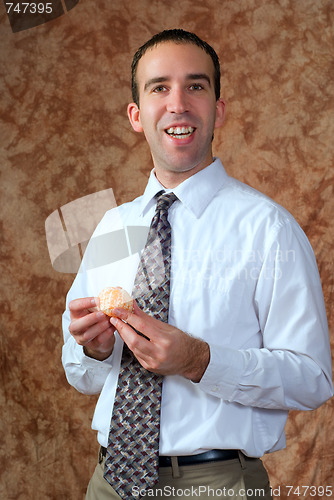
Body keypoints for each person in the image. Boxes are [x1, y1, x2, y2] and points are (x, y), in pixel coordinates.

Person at [62, 29, 333, 499]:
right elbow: (81, 375)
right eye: (159, 87)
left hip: (217, 485)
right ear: (136, 115)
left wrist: (200, 361)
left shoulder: (268, 229)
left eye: (196, 86)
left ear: (218, 109)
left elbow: (312, 379)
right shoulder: (113, 227)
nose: (178, 104)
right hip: (108, 483)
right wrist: (94, 351)